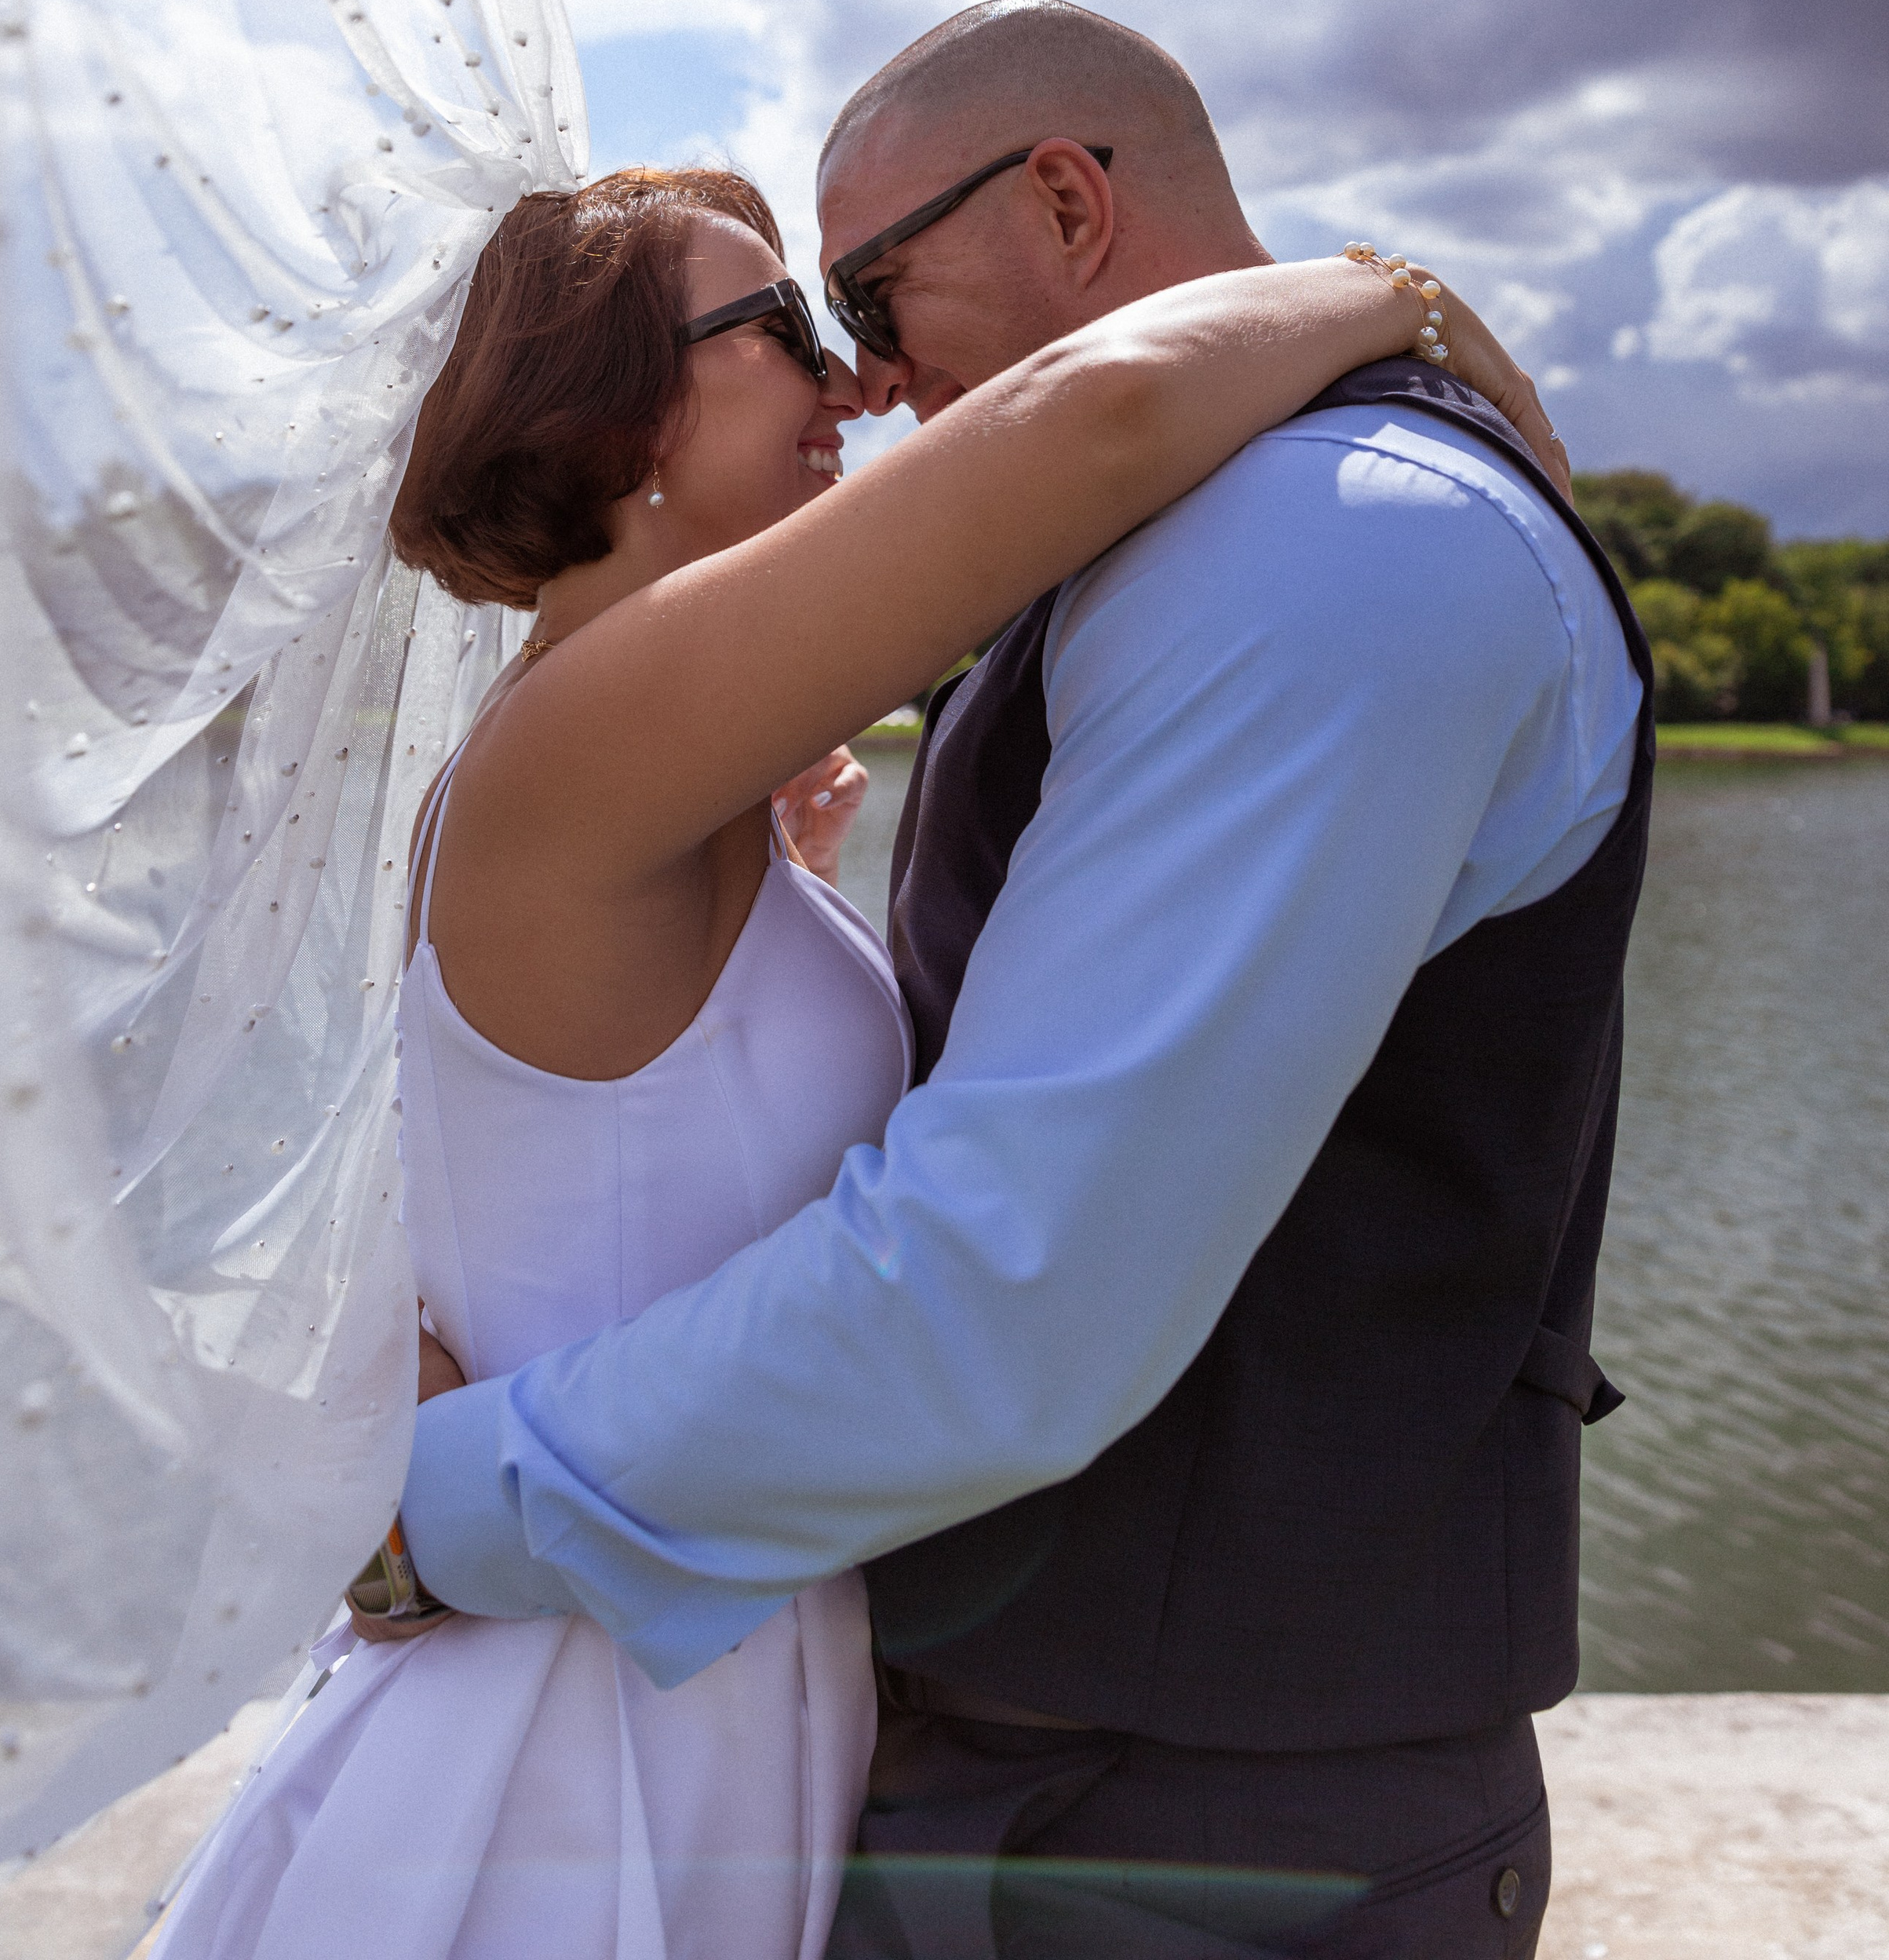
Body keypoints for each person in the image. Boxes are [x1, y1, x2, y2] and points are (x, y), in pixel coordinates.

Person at [151, 144, 1528, 1960]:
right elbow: (1101, 418)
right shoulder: (585, 738)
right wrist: (1392, 295)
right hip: (570, 1743)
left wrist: (777, 912)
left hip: (697, 1652)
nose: (846, 379)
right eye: (781, 325)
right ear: (625, 413)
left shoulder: (648, 776)